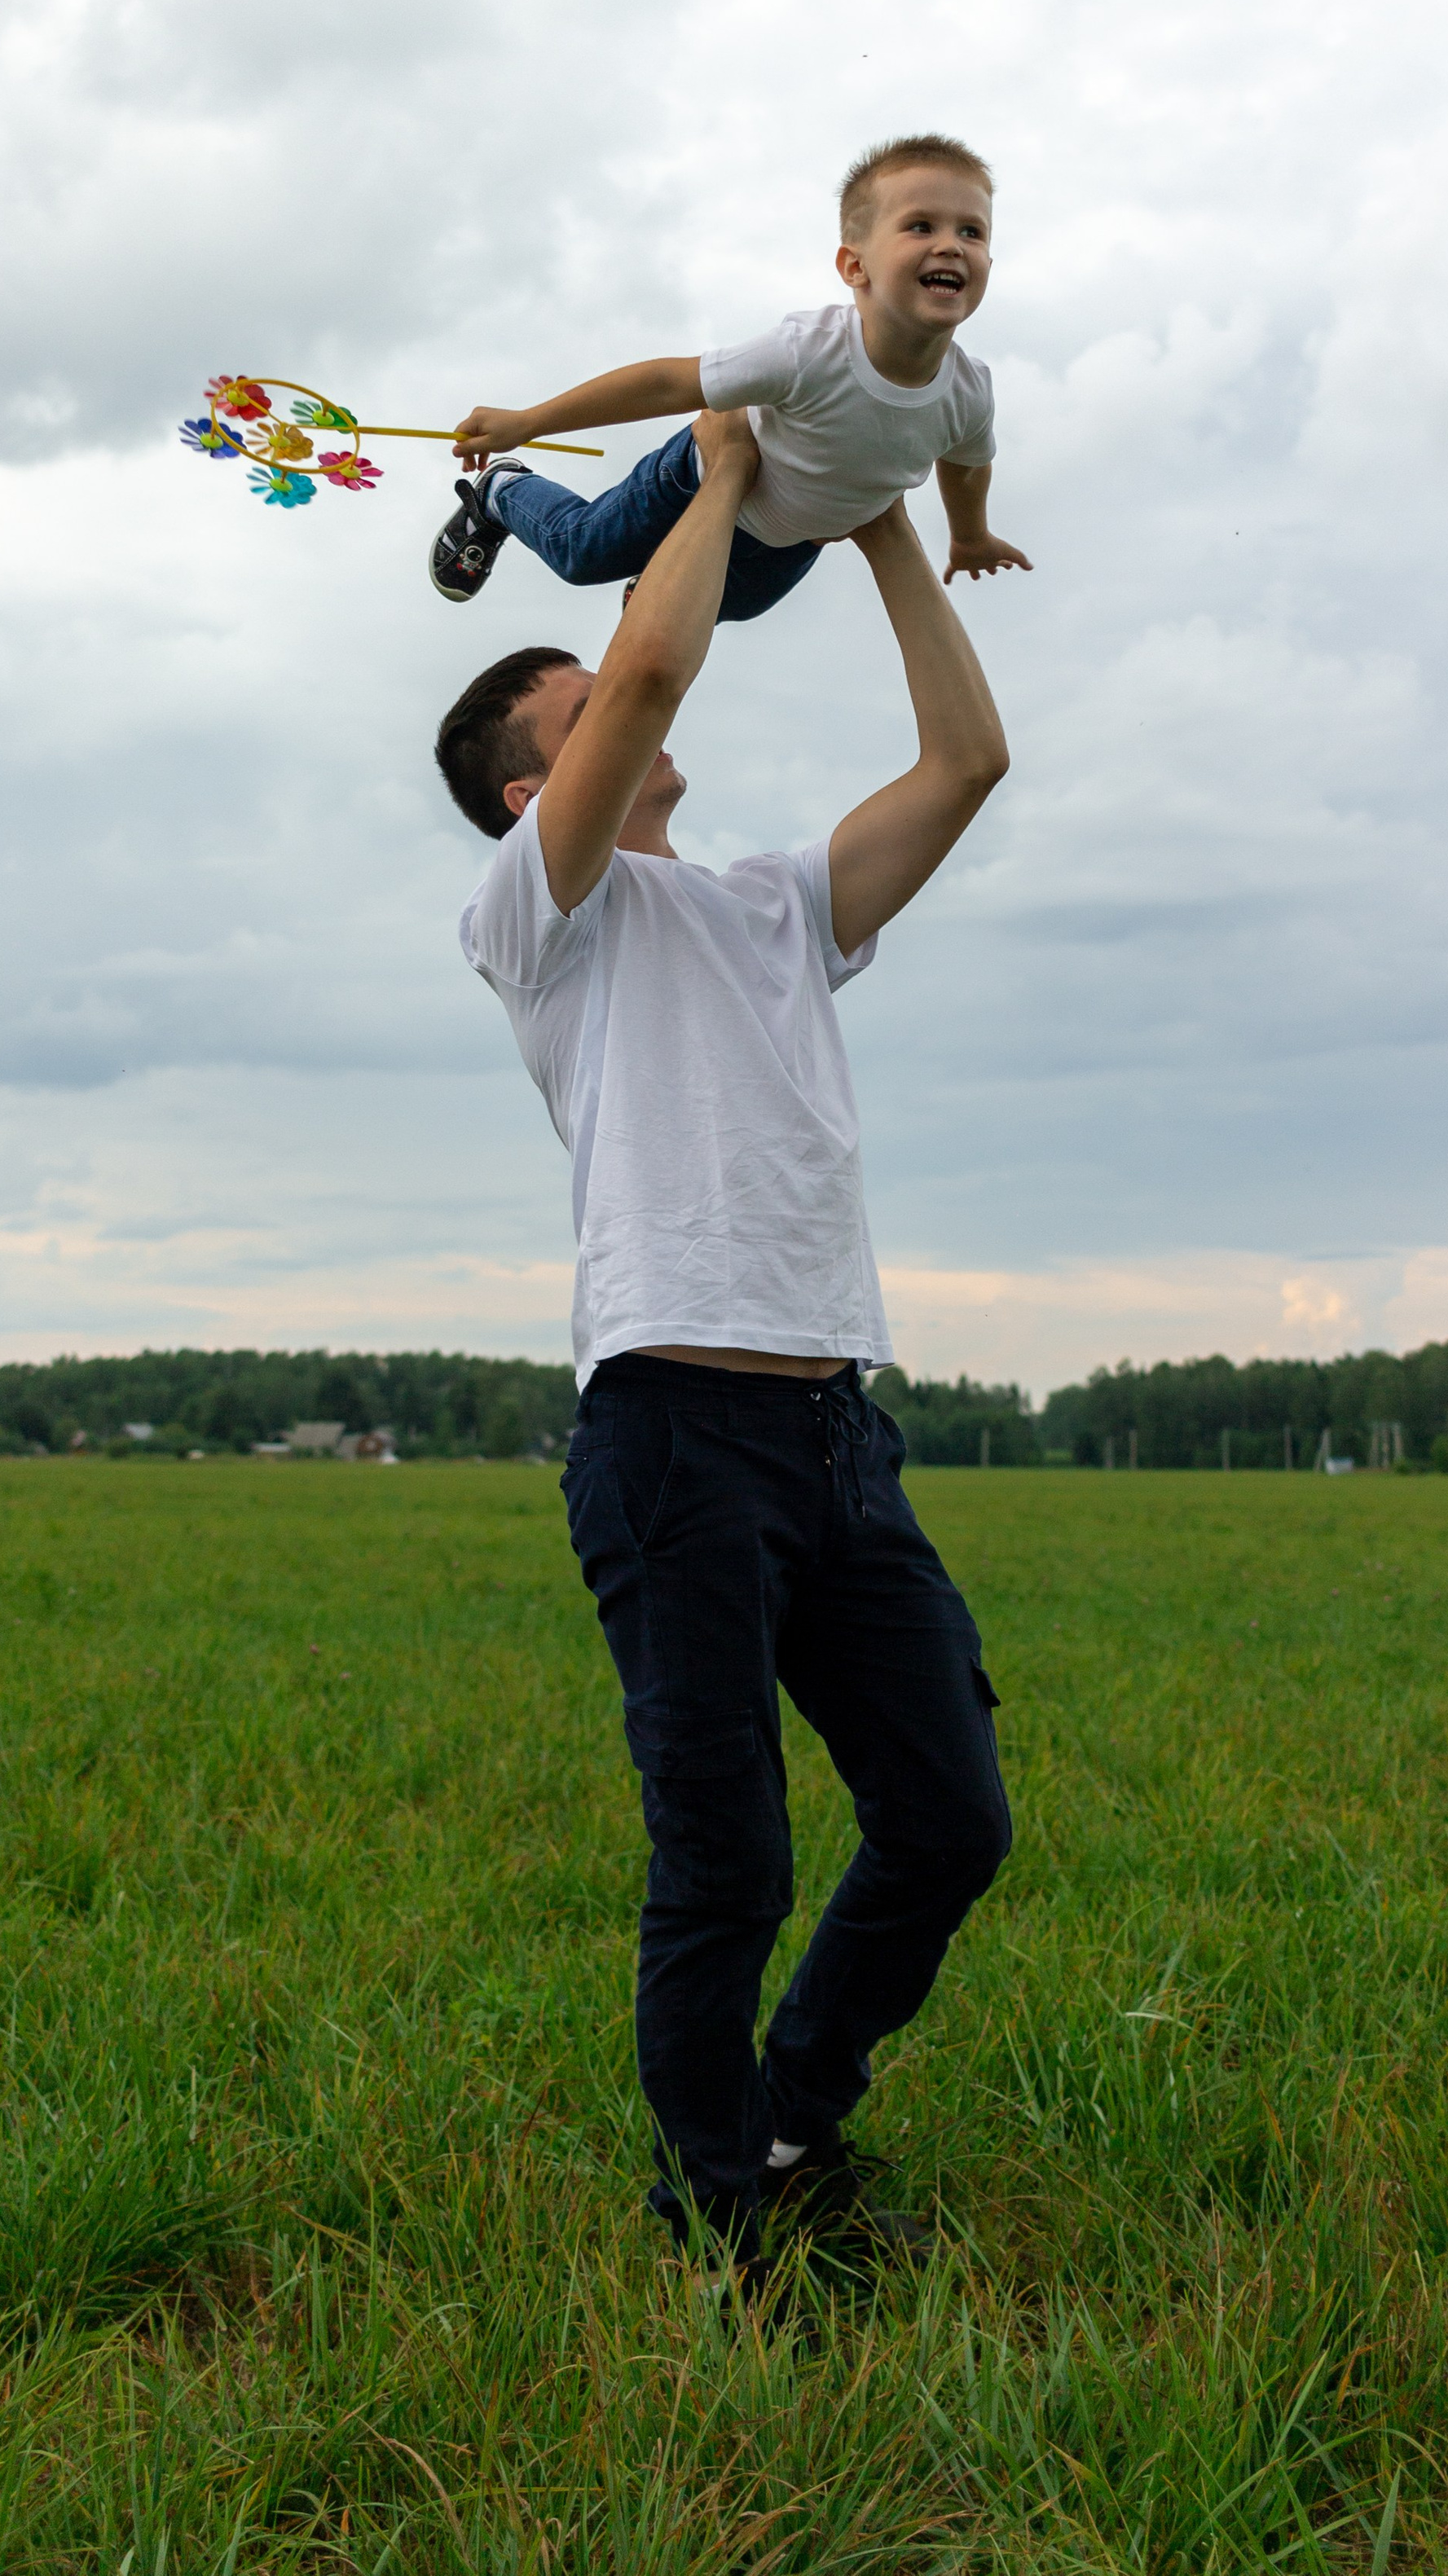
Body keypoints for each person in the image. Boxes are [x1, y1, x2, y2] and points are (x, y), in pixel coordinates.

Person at [437, 407, 1014, 2297]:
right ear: (537, 788)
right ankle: (719, 2221)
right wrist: (705, 461)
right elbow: (659, 654)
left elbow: (965, 756)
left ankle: (789, 2110)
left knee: (943, 1814)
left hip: (838, 1433)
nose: (623, 695)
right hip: (672, 1432)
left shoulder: (771, 901)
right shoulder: (541, 917)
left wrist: (878, 536)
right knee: (727, 1859)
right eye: (578, 703)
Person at [429, 134, 1032, 621]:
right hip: (695, 481)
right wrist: (528, 421)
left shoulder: (968, 392)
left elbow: (968, 463)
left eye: (972, 231)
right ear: (855, 266)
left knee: (733, 609)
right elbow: (668, 383)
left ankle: (659, 581)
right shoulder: (807, 353)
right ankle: (503, 493)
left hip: (793, 541)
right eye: (921, 227)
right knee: (580, 553)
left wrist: (971, 535)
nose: (952, 246)